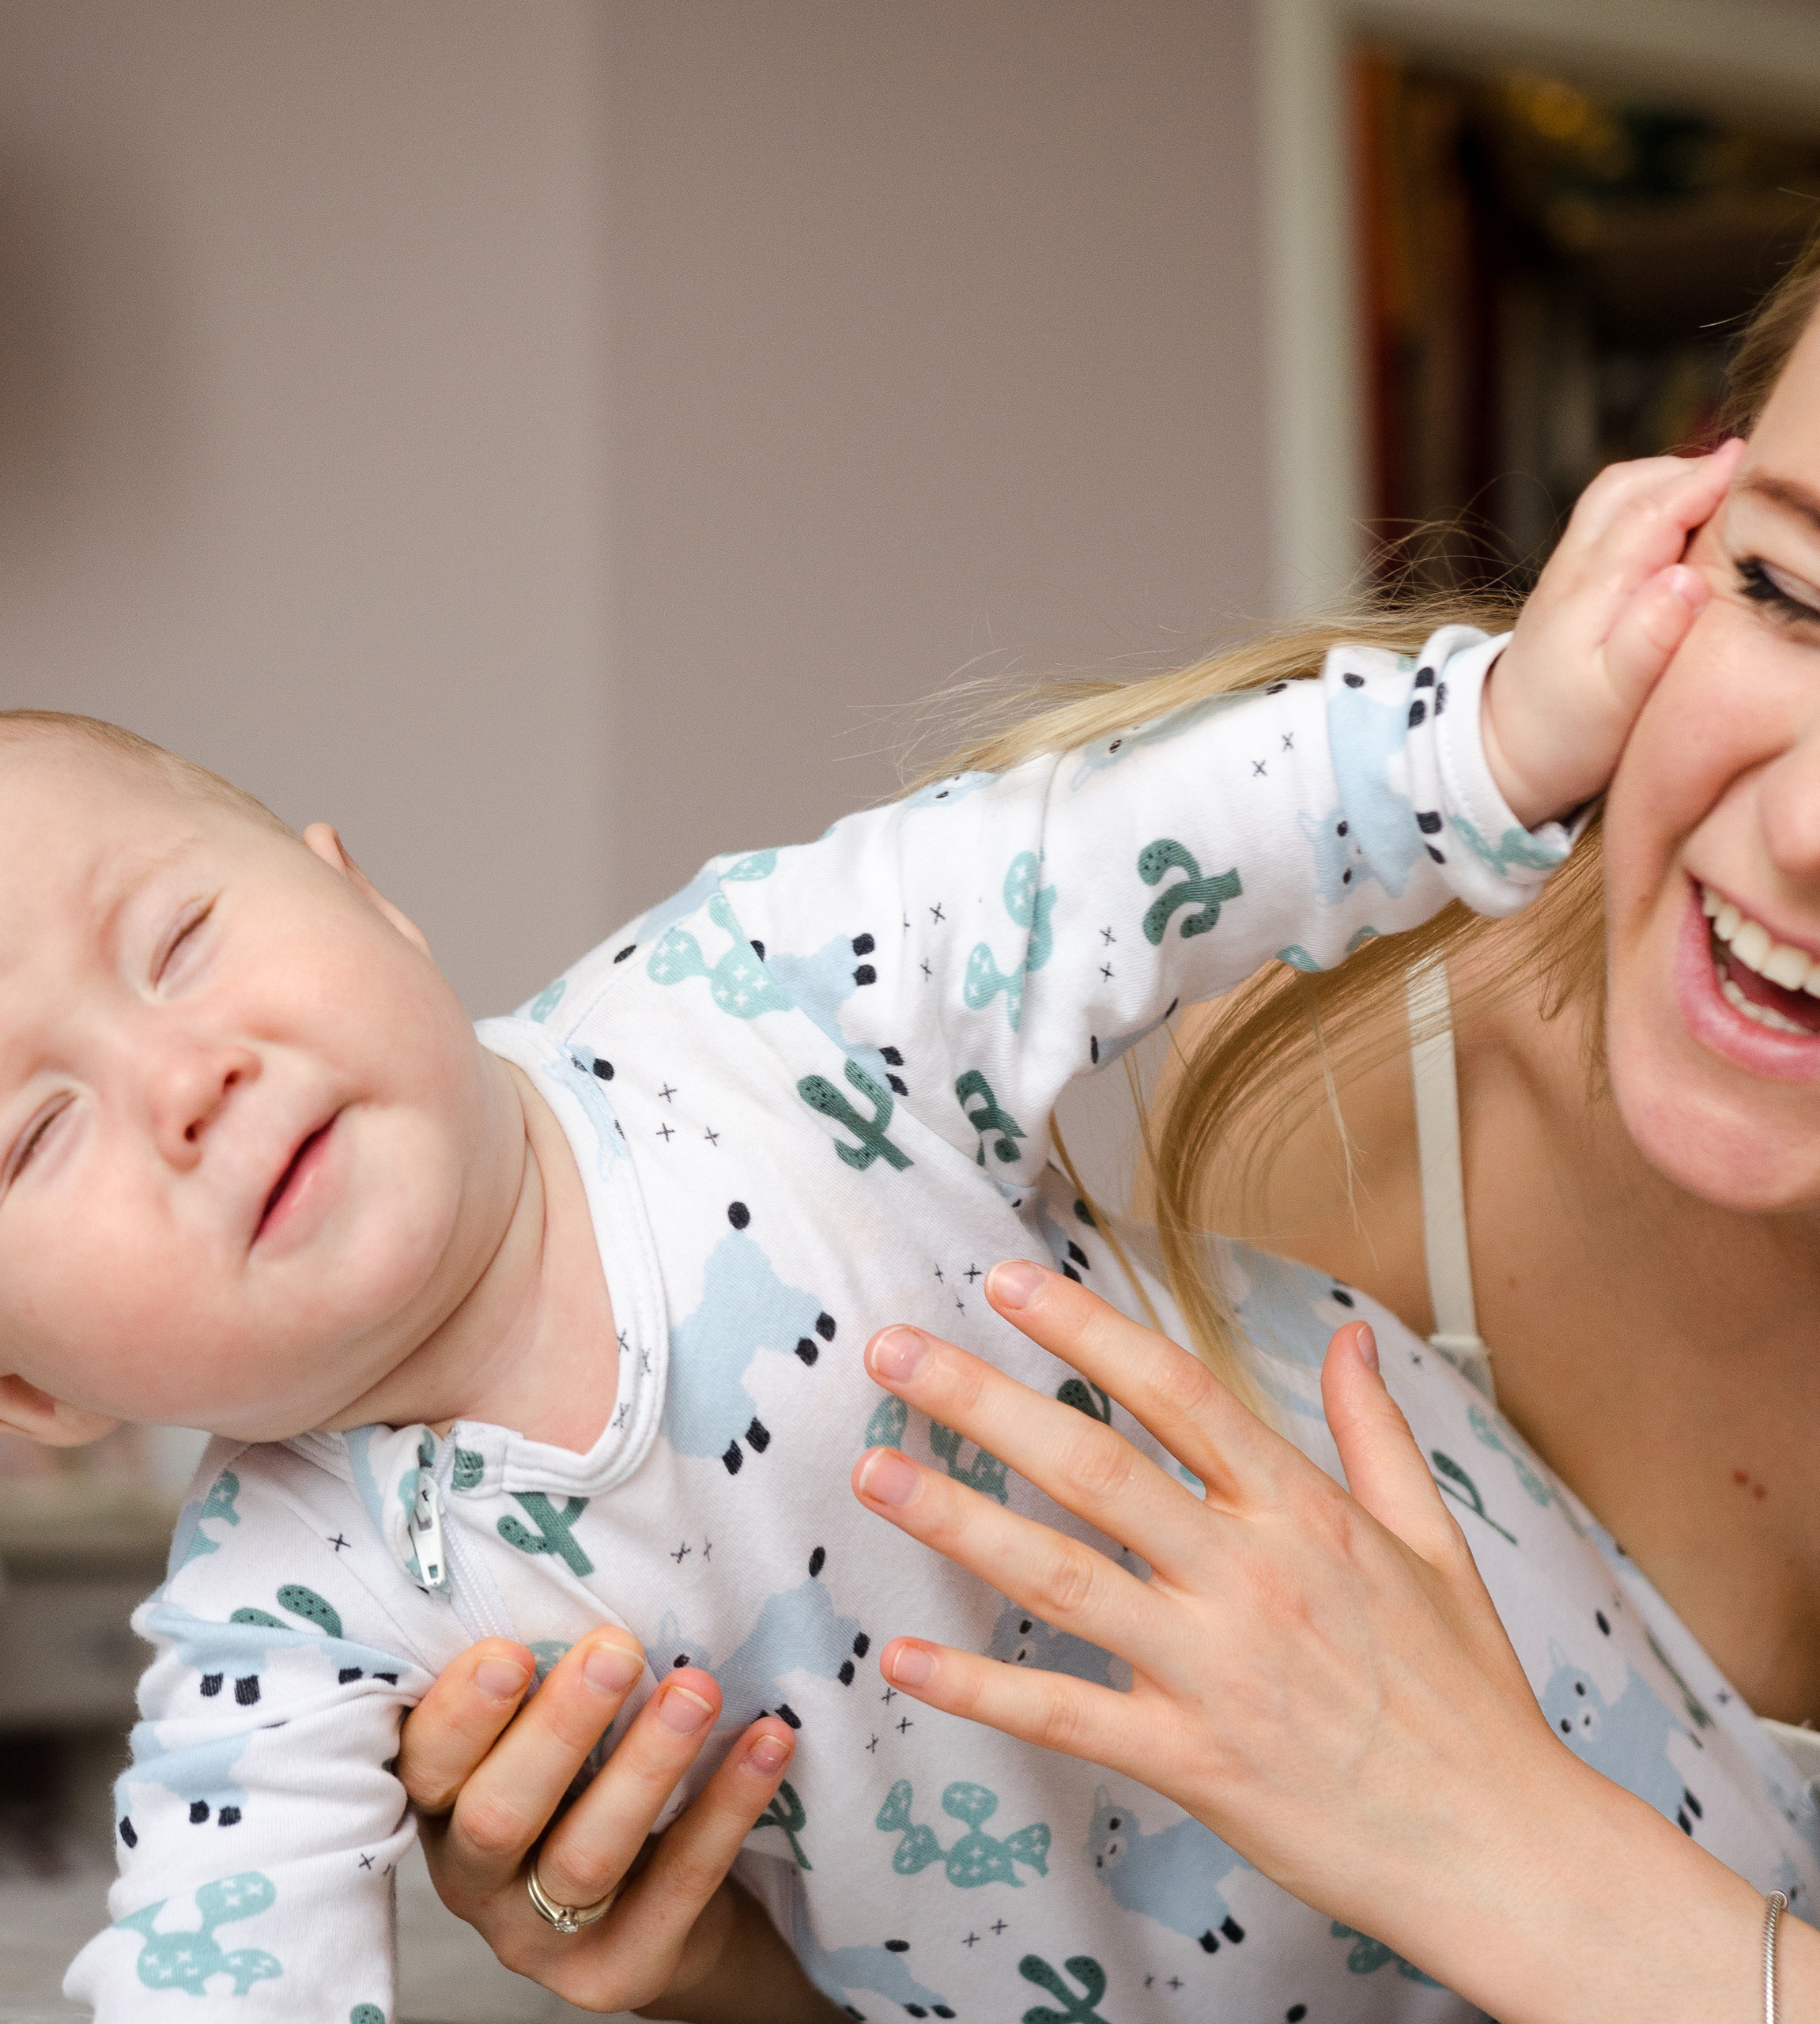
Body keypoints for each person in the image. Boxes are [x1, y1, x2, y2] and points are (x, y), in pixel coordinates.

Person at [389, 98, 1820, 2021]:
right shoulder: (1346, 1070)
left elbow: (1418, 1840)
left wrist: (1479, 1825)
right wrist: (732, 1961)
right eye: (1789, 588)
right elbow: (1151, 1958)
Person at [13, 457, 1710, 2019]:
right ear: (30, 1392)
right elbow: (215, 1969)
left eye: (179, 940)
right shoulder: (281, 1607)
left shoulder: (753, 1003)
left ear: (365, 898)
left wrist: (1487, 735)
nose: (181, 1080)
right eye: (34, 1133)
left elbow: (1116, 846)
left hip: (1608, 1808)